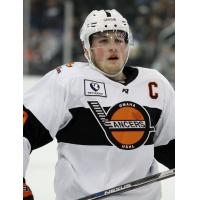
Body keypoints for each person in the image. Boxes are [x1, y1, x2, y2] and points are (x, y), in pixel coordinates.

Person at [23, 9, 175, 200]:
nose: (113, 47)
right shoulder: (69, 80)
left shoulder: (155, 84)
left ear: (128, 45)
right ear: (87, 49)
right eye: (103, 41)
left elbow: (171, 146)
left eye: (119, 40)